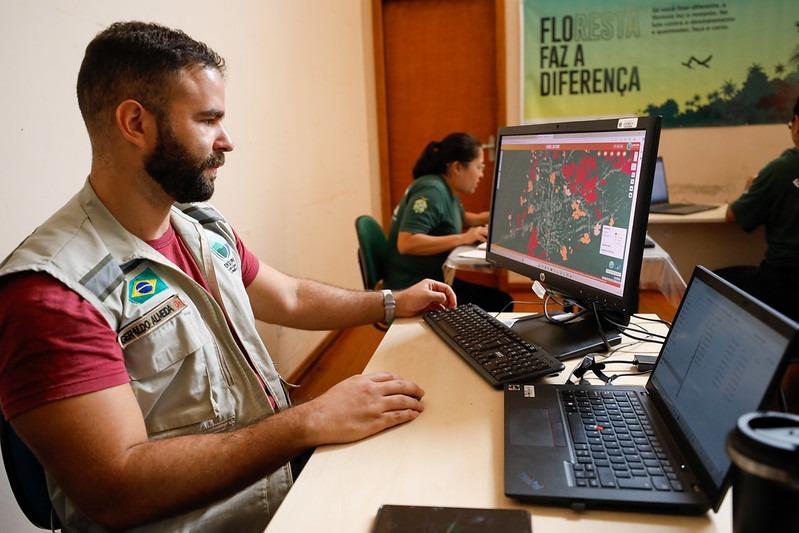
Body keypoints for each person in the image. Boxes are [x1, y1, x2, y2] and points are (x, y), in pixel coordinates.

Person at [0, 22, 456, 532]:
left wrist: (392, 302)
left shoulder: (199, 228)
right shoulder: (53, 293)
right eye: (208, 119)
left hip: (275, 493)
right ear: (135, 123)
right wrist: (308, 421)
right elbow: (116, 489)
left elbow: (289, 296)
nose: (228, 141)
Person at [383, 133, 512, 311]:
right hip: (411, 287)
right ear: (457, 167)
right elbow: (406, 243)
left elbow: (462, 218)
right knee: (502, 302)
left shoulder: (443, 187)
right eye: (479, 167)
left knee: (499, 300)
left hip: (428, 279)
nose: (481, 174)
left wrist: (501, 215)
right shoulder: (432, 191)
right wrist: (463, 238)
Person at [723, 97, 799, 321]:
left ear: (797, 123)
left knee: (714, 281)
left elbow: (732, 215)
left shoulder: (781, 169)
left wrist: (753, 187)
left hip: (783, 282)